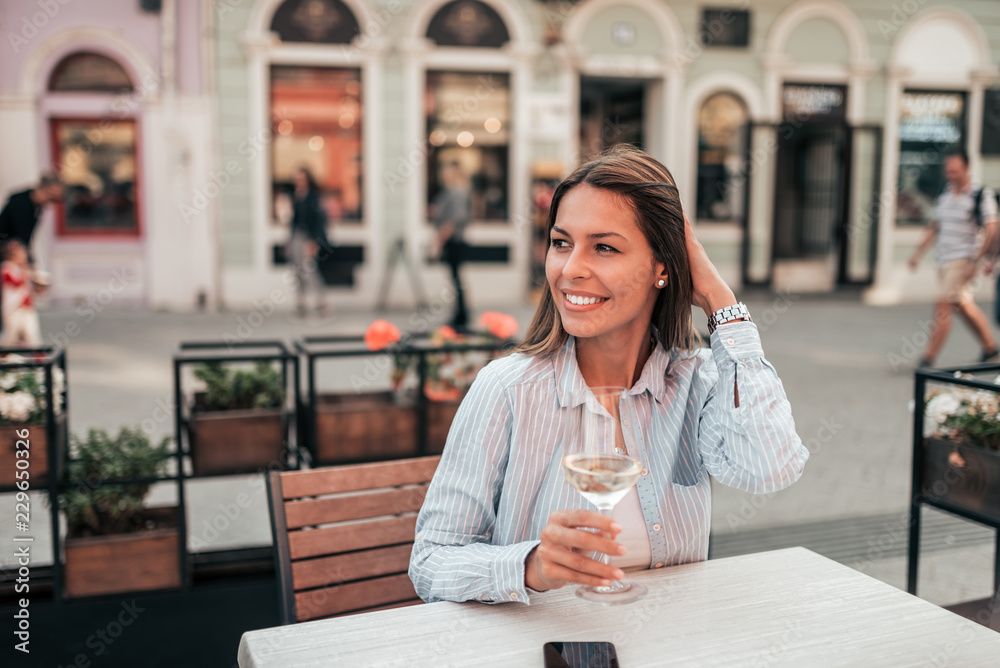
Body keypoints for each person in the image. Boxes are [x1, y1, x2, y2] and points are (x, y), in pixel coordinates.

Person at [409, 146, 808, 604]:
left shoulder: (694, 382)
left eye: (604, 247)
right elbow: (431, 561)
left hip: (669, 644)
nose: (571, 269)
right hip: (544, 647)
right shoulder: (507, 389)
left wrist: (720, 300)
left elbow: (770, 467)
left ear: (663, 266)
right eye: (561, 243)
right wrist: (530, 565)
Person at [908, 149, 999, 367]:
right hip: (943, 259)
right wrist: (917, 253)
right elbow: (935, 226)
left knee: (943, 304)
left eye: (955, 170)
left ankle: (928, 358)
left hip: (963, 260)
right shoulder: (944, 194)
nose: (951, 174)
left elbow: (991, 228)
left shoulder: (980, 195)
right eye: (948, 170)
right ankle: (990, 347)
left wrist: (976, 261)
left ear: (966, 168)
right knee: (962, 304)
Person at [0, 173, 62, 333]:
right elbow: (19, 239)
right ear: (42, 189)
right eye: (51, 197)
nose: (51, 203)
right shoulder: (21, 204)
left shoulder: (35, 207)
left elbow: (26, 240)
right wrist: (29, 266)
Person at [430, 161, 471, 330]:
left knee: (456, 280)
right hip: (452, 241)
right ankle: (460, 313)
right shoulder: (452, 192)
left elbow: (453, 221)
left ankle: (461, 315)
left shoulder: (457, 192)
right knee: (454, 279)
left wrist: (437, 241)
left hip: (453, 242)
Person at [287, 167, 331, 317]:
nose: (299, 182)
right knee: (297, 271)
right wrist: (289, 241)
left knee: (310, 269)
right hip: (296, 237)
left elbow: (319, 222)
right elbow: (293, 222)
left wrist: (314, 241)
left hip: (308, 237)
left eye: (302, 179)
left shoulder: (313, 198)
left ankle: (321, 302)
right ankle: (301, 302)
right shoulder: (296, 197)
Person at [1, 240, 42, 347]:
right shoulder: (7, 267)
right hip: (13, 308)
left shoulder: (26, 268)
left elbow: (35, 288)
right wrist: (25, 271)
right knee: (10, 338)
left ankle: (38, 361)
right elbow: (15, 282)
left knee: (33, 336)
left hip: (27, 308)